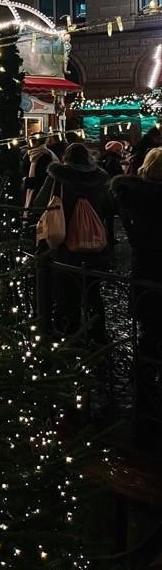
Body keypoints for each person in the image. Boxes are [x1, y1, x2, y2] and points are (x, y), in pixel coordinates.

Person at [33, 142, 114, 341]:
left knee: (67, 294)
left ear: (66, 158)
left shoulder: (58, 177)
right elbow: (111, 207)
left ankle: (69, 335)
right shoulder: (101, 178)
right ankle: (97, 333)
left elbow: (39, 203)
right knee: (94, 293)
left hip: (65, 247)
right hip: (95, 246)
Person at [111, 147, 162, 447]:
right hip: (154, 274)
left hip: (144, 273)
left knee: (148, 337)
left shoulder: (131, 197)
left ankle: (144, 398)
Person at [23, 133, 57, 211]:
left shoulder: (45, 156)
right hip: (33, 190)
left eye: (32, 141)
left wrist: (26, 181)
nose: (29, 144)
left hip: (40, 193)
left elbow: (42, 178)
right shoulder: (32, 155)